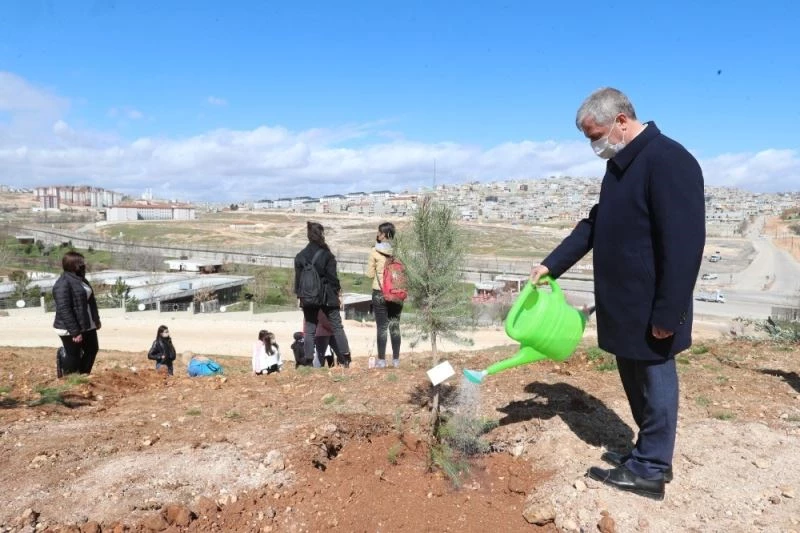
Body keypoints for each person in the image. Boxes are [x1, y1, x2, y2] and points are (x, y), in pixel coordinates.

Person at [530, 88, 705, 500]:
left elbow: (683, 245)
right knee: (634, 378)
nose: (595, 145)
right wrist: (551, 264)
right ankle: (648, 454)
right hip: (625, 304)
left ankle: (652, 468)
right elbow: (596, 224)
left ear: (622, 121)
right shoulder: (622, 166)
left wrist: (669, 312)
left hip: (651, 306)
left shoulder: (668, 161)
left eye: (597, 135)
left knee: (655, 378)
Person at [294, 221, 352, 368]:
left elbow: (298, 281)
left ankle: (308, 361)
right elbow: (333, 279)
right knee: (337, 327)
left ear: (308, 236)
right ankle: (346, 358)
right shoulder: (327, 255)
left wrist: (300, 297)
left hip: (308, 297)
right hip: (327, 297)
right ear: (321, 235)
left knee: (310, 328)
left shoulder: (300, 256)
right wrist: (337, 293)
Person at [52, 251, 101, 375]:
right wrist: (75, 331)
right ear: (72, 264)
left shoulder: (81, 279)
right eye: (81, 263)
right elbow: (64, 308)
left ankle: (83, 375)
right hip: (70, 327)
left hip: (87, 324)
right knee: (73, 355)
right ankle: (69, 375)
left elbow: (91, 302)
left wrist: (96, 319)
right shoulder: (62, 283)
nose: (84, 265)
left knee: (92, 349)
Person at [366, 222, 403, 368]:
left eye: (379, 232)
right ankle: (396, 361)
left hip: (379, 292)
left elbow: (369, 274)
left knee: (381, 327)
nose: (377, 234)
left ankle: (381, 361)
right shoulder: (398, 252)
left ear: (383, 235)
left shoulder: (375, 252)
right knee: (395, 326)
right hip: (396, 292)